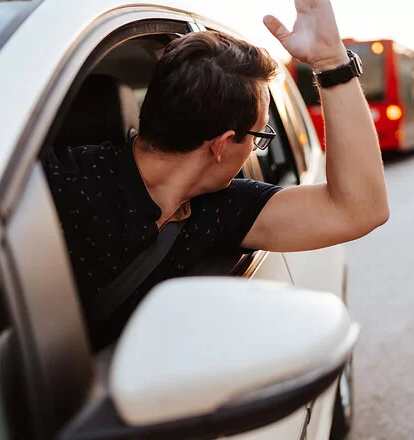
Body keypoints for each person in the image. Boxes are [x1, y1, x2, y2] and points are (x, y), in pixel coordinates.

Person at [43, 0, 389, 350]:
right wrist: (331, 65)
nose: (256, 149)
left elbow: (359, 209)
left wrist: (333, 63)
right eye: (260, 137)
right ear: (223, 145)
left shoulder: (219, 210)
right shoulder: (55, 185)